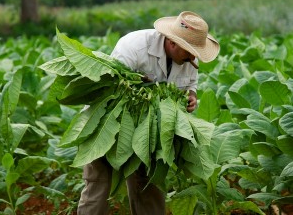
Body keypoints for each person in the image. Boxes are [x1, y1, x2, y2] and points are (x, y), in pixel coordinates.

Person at [77, 11, 220, 215]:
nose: (192, 58)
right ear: (172, 42)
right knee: (98, 183)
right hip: (106, 123)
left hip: (149, 130)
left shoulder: (188, 58)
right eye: (189, 52)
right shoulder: (133, 46)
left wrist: (191, 97)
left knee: (149, 186)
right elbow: (111, 89)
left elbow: (191, 84)